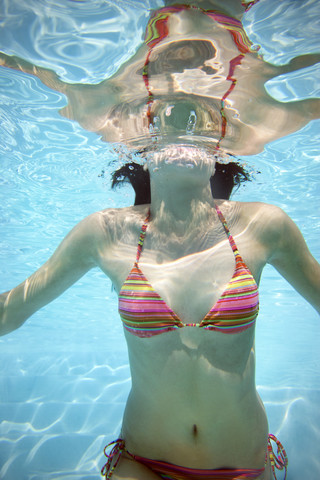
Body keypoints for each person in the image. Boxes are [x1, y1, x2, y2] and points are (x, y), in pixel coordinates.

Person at [1, 2, 320, 480]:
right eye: (163, 120)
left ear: (219, 155)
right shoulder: (104, 232)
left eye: (204, 122)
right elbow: (13, 311)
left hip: (245, 462)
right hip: (142, 462)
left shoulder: (263, 226)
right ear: (143, 153)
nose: (184, 134)